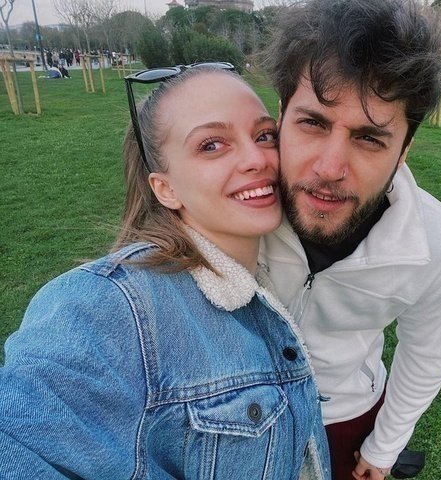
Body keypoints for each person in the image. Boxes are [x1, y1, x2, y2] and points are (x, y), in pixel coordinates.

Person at [0, 64, 330, 479]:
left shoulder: (270, 275)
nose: (256, 159)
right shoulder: (115, 307)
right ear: (165, 188)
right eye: (212, 145)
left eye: (264, 135)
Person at [261, 0, 441, 479]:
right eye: (313, 122)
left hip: (346, 419)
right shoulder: (234, 202)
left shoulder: (436, 240)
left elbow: (428, 351)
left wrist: (385, 445)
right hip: (230, 412)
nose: (330, 168)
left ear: (404, 149)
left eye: (370, 138)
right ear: (281, 115)